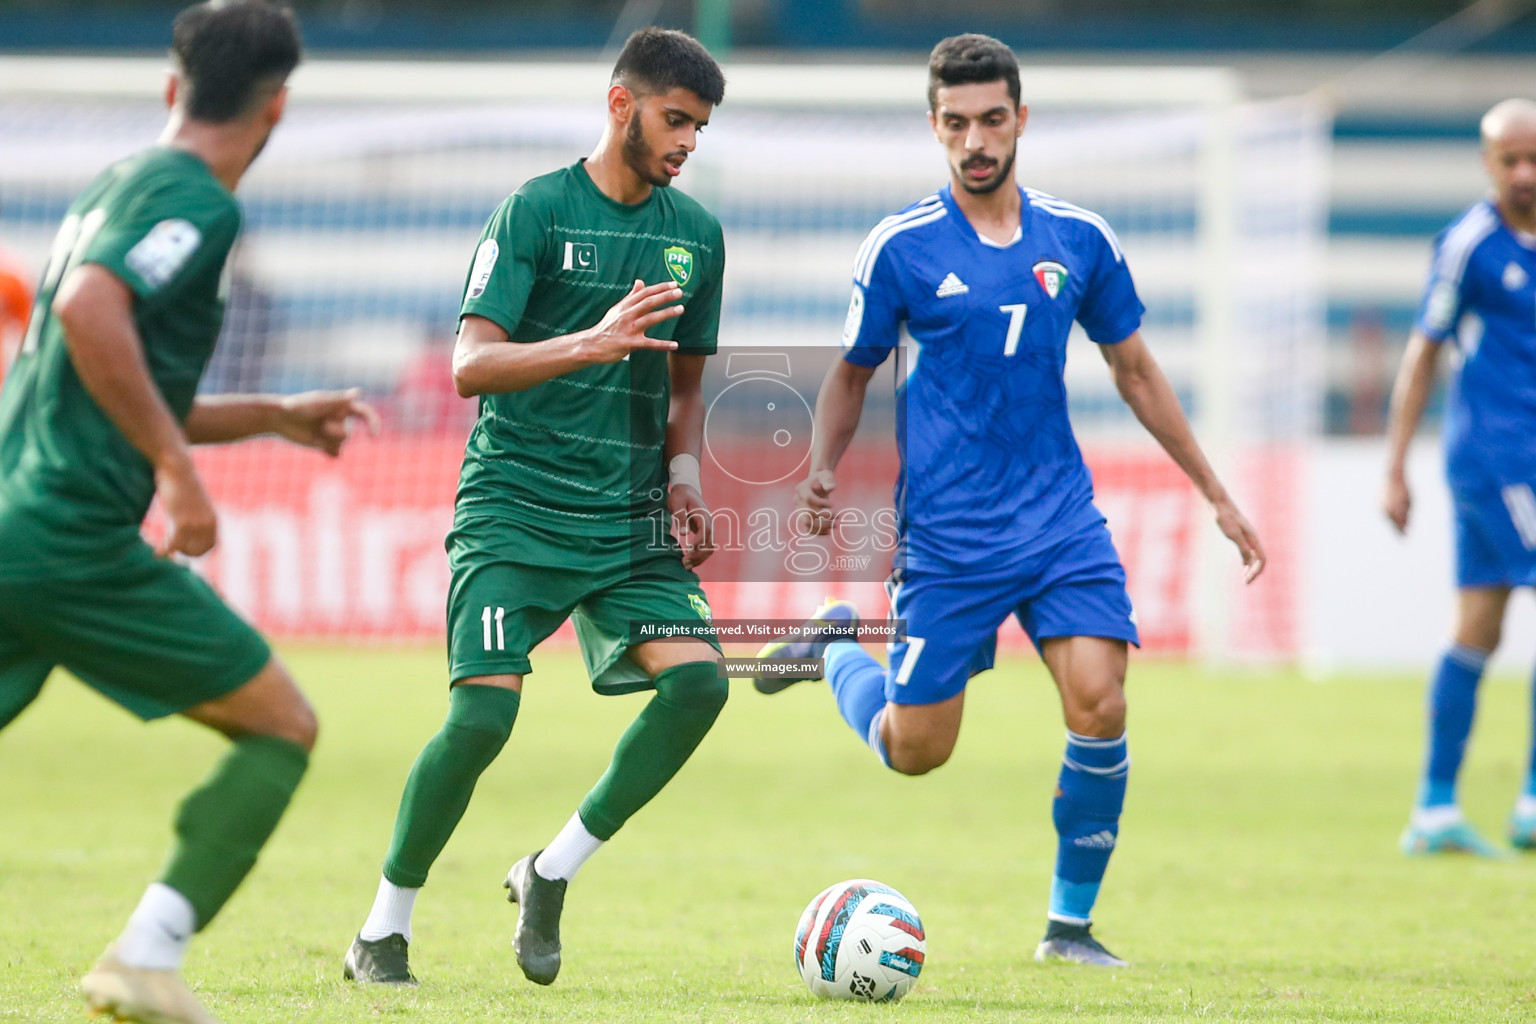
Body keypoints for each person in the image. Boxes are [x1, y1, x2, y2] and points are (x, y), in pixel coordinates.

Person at [753, 34, 1265, 968]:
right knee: (916, 752)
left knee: (1101, 702)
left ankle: (1068, 927)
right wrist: (821, 471)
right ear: (934, 127)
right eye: (956, 123)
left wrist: (1216, 494)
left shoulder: (1080, 239)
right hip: (948, 538)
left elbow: (1137, 368)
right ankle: (835, 642)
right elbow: (851, 372)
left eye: (992, 120)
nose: (975, 140)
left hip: (1060, 519)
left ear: (1021, 119)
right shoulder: (902, 247)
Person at [0, 5, 378, 1024]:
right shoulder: (196, 204)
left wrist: (270, 415)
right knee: (282, 725)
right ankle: (146, 955)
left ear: (174, 87)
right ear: (278, 106)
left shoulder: (114, 184)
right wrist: (177, 471)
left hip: (14, 520)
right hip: (71, 541)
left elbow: (99, 357)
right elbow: (87, 310)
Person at [343, 27, 728, 987]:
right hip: (516, 507)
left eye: (701, 128)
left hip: (631, 518)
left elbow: (685, 384)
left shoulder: (697, 237)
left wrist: (684, 481)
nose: (687, 142)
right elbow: (471, 364)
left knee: (701, 685)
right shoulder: (533, 211)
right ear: (620, 104)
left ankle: (550, 873)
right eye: (675, 119)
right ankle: (382, 929)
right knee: (480, 723)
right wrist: (587, 342)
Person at [1384, 98, 1536, 857]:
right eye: (1510, 160)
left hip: (1519, 460)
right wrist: (1394, 465)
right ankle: (1534, 803)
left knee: (1479, 624)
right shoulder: (1471, 245)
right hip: (1498, 455)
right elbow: (1423, 353)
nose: (1525, 174)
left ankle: (1435, 808)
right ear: (1486, 163)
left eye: (1534, 158)